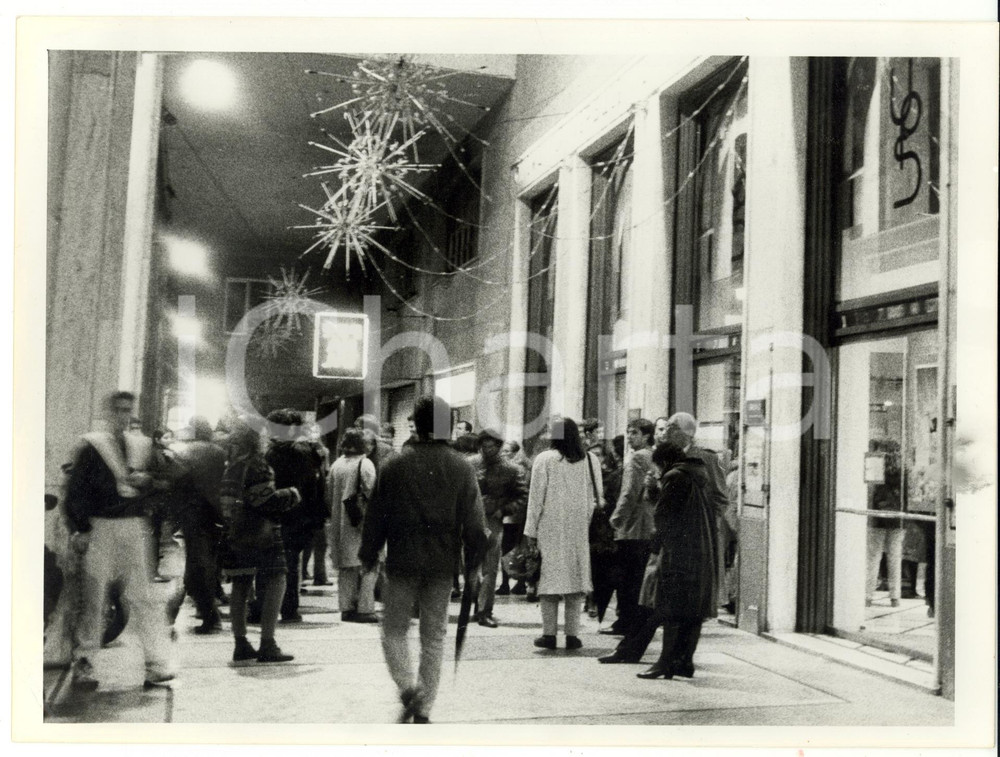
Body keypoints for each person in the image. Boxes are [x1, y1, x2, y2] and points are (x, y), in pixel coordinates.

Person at [359, 394, 488, 724]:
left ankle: (407, 686)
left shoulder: (395, 465)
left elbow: (377, 514)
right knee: (434, 636)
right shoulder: (460, 466)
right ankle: (425, 706)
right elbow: (475, 521)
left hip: (402, 559)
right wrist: (475, 563)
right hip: (443, 563)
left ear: (416, 423)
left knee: (394, 630)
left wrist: (369, 553)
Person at [62, 391, 176, 690]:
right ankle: (84, 663)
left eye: (128, 410)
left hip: (132, 524)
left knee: (144, 596)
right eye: (118, 410)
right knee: (93, 597)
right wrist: (81, 527)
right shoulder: (91, 447)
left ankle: (155, 663)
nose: (123, 415)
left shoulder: (140, 446)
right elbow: (76, 490)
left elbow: (166, 480)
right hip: (100, 525)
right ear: (108, 411)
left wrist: (149, 482)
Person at [632, 440, 716, 680]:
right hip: (701, 551)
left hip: (678, 552)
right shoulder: (699, 473)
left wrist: (656, 549)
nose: (657, 472)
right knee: (693, 610)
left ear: (663, 462)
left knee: (671, 607)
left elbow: (664, 516)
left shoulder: (674, 476)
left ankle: (664, 663)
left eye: (657, 467)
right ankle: (684, 661)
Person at [220, 419, 301, 664]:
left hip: (236, 533)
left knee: (240, 585)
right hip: (262, 532)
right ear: (258, 439)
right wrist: (291, 495)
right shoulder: (257, 465)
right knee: (278, 580)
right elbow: (266, 501)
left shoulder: (232, 466)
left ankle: (241, 643)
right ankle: (268, 643)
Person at [523, 417, 603, 650]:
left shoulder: (545, 459)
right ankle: (572, 635)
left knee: (549, 580)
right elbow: (597, 496)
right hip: (579, 529)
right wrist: (584, 521)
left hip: (550, 527)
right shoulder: (590, 459)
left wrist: (531, 530)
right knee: (575, 582)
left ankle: (549, 634)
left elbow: (536, 499)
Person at [252, 409, 326, 624]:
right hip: (301, 517)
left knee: (274, 565)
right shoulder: (308, 452)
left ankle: (268, 608)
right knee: (289, 564)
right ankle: (288, 608)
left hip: (284, 515)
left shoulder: (279, 453)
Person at [171, 416, 227, 634]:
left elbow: (177, 483)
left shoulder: (184, 451)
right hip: (214, 513)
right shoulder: (219, 452)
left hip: (192, 513)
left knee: (196, 563)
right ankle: (207, 611)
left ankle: (209, 616)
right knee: (206, 563)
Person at [604, 418, 656, 637]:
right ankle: (633, 618)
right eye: (628, 432)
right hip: (648, 525)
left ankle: (625, 620)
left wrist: (616, 519)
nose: (630, 437)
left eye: (634, 432)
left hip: (632, 527)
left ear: (646, 436)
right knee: (638, 576)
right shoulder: (654, 456)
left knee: (626, 577)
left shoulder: (636, 458)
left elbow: (629, 493)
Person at [472, 429, 528, 627]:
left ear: (498, 446)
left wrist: (503, 510)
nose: (487, 450)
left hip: (494, 521)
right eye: (484, 446)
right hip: (470, 521)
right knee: (470, 567)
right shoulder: (469, 465)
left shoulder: (511, 470)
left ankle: (484, 611)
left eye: (492, 446)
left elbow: (522, 495)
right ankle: (477, 603)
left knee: (490, 568)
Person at [327, 428, 379, 622]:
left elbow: (330, 494)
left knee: (347, 567)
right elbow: (373, 493)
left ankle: (346, 608)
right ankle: (365, 608)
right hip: (362, 523)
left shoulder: (336, 464)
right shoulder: (365, 464)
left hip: (340, 522)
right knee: (369, 564)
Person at [866, 452, 905, 608]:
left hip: (877, 518)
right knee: (895, 558)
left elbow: (871, 494)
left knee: (873, 558)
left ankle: (867, 595)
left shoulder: (876, 467)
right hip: (897, 519)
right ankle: (895, 596)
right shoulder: (902, 473)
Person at [498, 440, 532, 596]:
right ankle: (512, 582)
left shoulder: (518, 469)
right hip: (514, 515)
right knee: (510, 548)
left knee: (512, 548)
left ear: (514, 452)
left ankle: (514, 582)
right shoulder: (516, 468)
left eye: (506, 451)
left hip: (515, 515)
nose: (503, 454)